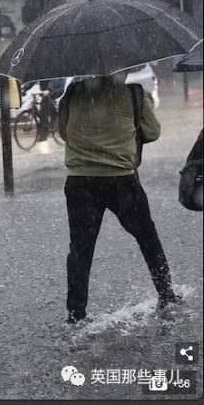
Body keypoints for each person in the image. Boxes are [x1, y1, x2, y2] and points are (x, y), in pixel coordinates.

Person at [58, 72, 182, 324]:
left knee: (81, 249)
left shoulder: (73, 92)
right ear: (123, 68)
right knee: (147, 237)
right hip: (122, 180)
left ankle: (76, 312)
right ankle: (166, 293)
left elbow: (64, 132)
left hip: (80, 180)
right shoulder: (134, 93)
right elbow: (152, 132)